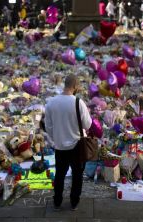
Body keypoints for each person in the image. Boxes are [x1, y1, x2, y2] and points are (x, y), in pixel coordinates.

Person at [45, 74, 92, 211]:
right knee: (77, 175)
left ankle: (57, 201)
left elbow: (48, 126)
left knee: (59, 174)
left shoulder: (51, 102)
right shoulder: (78, 102)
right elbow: (88, 125)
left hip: (60, 146)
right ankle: (74, 201)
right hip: (77, 146)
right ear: (75, 86)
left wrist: (57, 137)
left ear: (65, 84)